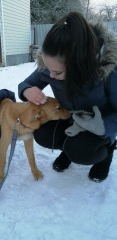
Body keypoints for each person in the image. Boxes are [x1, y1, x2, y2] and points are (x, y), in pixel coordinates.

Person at [18, 12, 117, 182]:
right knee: (42, 133)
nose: (50, 75)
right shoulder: (52, 64)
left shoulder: (109, 71)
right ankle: (68, 149)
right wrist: (27, 91)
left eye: (57, 72)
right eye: (48, 68)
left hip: (98, 126)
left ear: (79, 64)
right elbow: (25, 84)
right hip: (71, 119)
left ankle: (106, 154)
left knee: (83, 151)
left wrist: (102, 127)